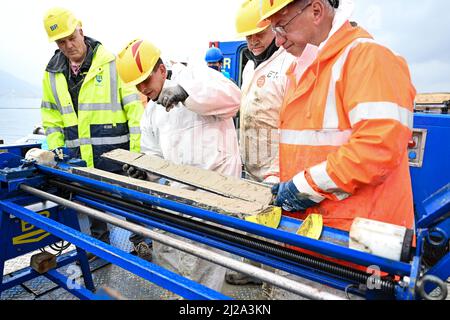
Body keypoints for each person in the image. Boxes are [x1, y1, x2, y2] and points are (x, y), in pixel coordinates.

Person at [258, 0, 416, 299]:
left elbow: (376, 148)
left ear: (316, 11)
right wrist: (275, 180)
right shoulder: (302, 71)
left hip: (357, 248)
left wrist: (302, 187)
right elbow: (298, 145)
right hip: (314, 239)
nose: (277, 40)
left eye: (282, 26)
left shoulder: (368, 59)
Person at [116, 39, 242, 294]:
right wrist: (144, 171)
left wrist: (186, 94)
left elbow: (234, 98)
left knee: (203, 267)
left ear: (162, 69)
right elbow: (153, 154)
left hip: (215, 193)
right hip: (179, 196)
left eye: (146, 81)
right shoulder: (151, 111)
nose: (143, 89)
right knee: (169, 259)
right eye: (137, 85)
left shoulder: (198, 76)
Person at [40, 8, 146, 259]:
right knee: (89, 199)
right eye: (61, 41)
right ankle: (100, 242)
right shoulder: (52, 73)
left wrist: (138, 153)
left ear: (81, 31)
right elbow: (51, 116)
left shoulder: (111, 63)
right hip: (78, 155)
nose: (68, 45)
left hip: (117, 153)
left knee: (131, 198)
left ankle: (142, 241)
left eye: (71, 38)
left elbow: (134, 109)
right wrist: (58, 153)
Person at [224, 0, 295, 288]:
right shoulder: (249, 69)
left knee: (277, 230)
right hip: (251, 163)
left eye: (259, 34)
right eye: (248, 36)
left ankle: (275, 284)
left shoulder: (288, 64)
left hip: (278, 167)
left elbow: (295, 121)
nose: (253, 41)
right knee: (252, 223)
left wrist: (282, 169)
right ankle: (252, 269)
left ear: (273, 27)